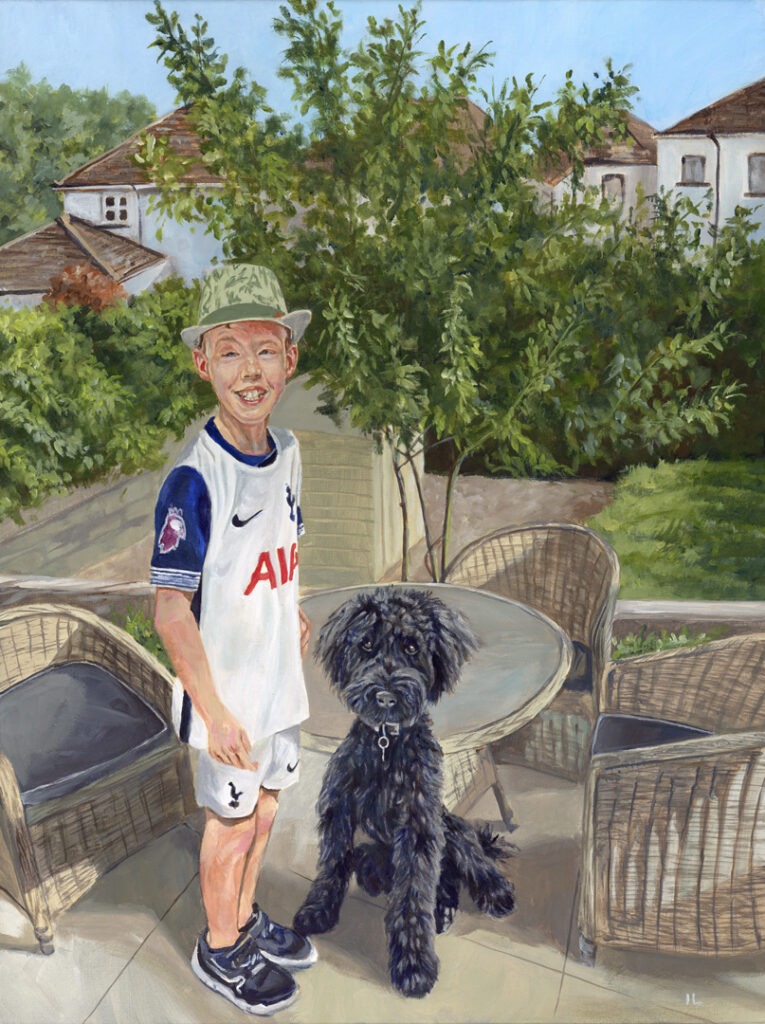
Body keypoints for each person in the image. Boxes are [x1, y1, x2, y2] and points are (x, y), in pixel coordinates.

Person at [151, 263, 316, 1016]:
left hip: (279, 677)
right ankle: (219, 948)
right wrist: (213, 711)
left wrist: (295, 608)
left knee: (271, 808)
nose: (249, 371)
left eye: (263, 350)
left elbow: (284, 549)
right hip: (229, 696)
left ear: (289, 356)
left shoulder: (288, 453)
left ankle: (245, 922)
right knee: (232, 822)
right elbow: (171, 613)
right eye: (228, 351)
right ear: (201, 364)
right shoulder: (194, 480)